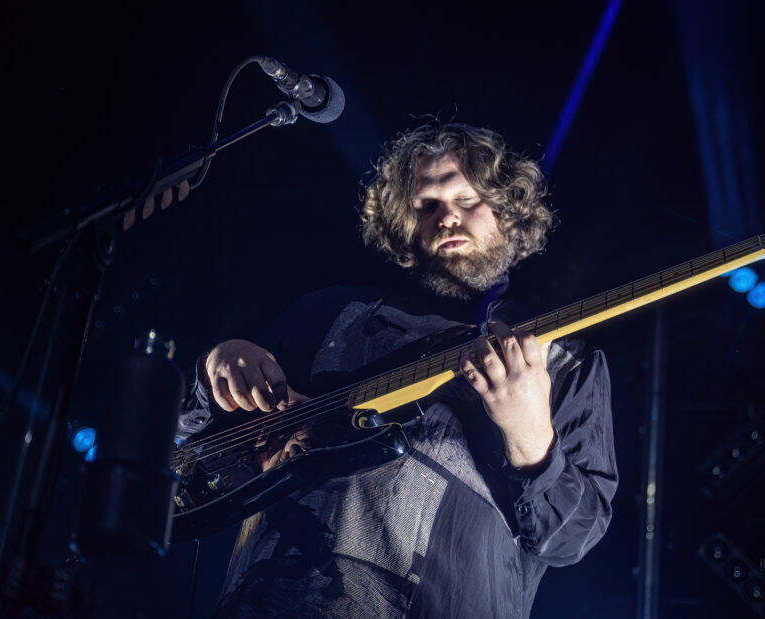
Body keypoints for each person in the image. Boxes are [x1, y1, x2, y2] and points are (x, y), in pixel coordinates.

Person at [176, 124, 617, 618]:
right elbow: (186, 455)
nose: (447, 217)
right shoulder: (323, 314)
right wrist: (213, 371)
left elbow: (572, 538)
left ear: (508, 212)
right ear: (404, 224)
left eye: (467, 199)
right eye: (426, 206)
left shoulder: (560, 356)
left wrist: (531, 436)